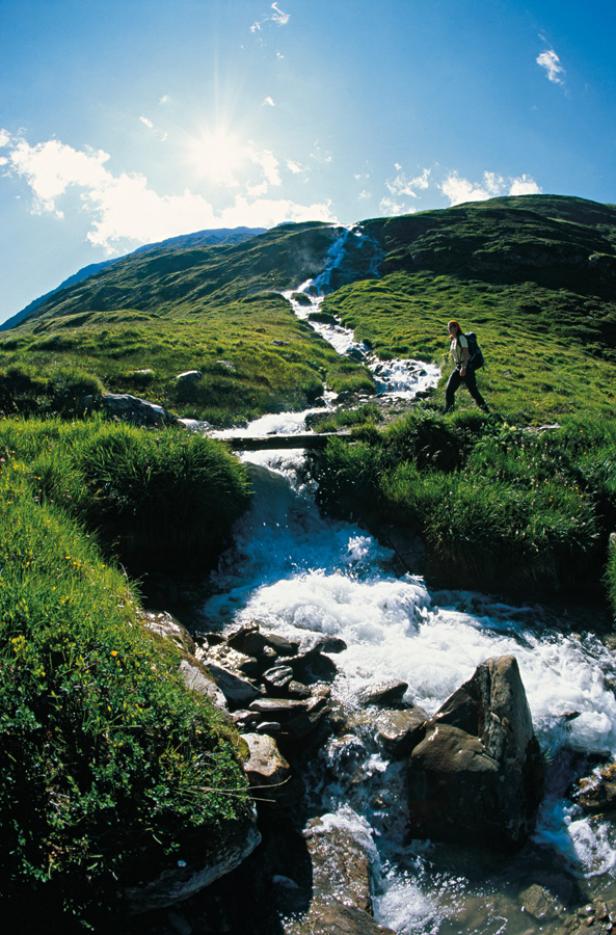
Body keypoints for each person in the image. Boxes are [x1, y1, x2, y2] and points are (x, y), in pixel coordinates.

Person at [444, 319, 489, 413]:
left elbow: (466, 354)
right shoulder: (453, 339)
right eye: (449, 327)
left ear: (457, 327)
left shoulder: (462, 338)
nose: (451, 329)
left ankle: (485, 410)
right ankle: (449, 409)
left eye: (453, 327)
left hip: (466, 367)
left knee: (473, 391)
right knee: (449, 390)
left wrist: (464, 368)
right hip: (458, 367)